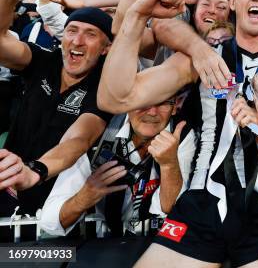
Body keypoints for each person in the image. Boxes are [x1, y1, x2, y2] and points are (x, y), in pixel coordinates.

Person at [98, 0, 258, 267]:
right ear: (233, 3)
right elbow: (115, 98)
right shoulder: (202, 58)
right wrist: (138, 15)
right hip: (204, 200)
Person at [0, 0, 115, 218]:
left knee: (29, 260)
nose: (77, 41)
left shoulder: (105, 86)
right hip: (5, 184)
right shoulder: (42, 60)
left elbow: (78, 140)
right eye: (72, 31)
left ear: (105, 48)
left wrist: (35, 171)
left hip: (52, 203)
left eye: (90, 35)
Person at [40, 99, 196, 237]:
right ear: (127, 103)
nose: (152, 112)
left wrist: (169, 164)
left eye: (163, 102)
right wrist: (83, 198)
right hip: (102, 245)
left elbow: (172, 208)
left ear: (175, 106)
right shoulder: (97, 132)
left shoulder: (182, 133)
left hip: (156, 244)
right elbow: (50, 222)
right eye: (143, 101)